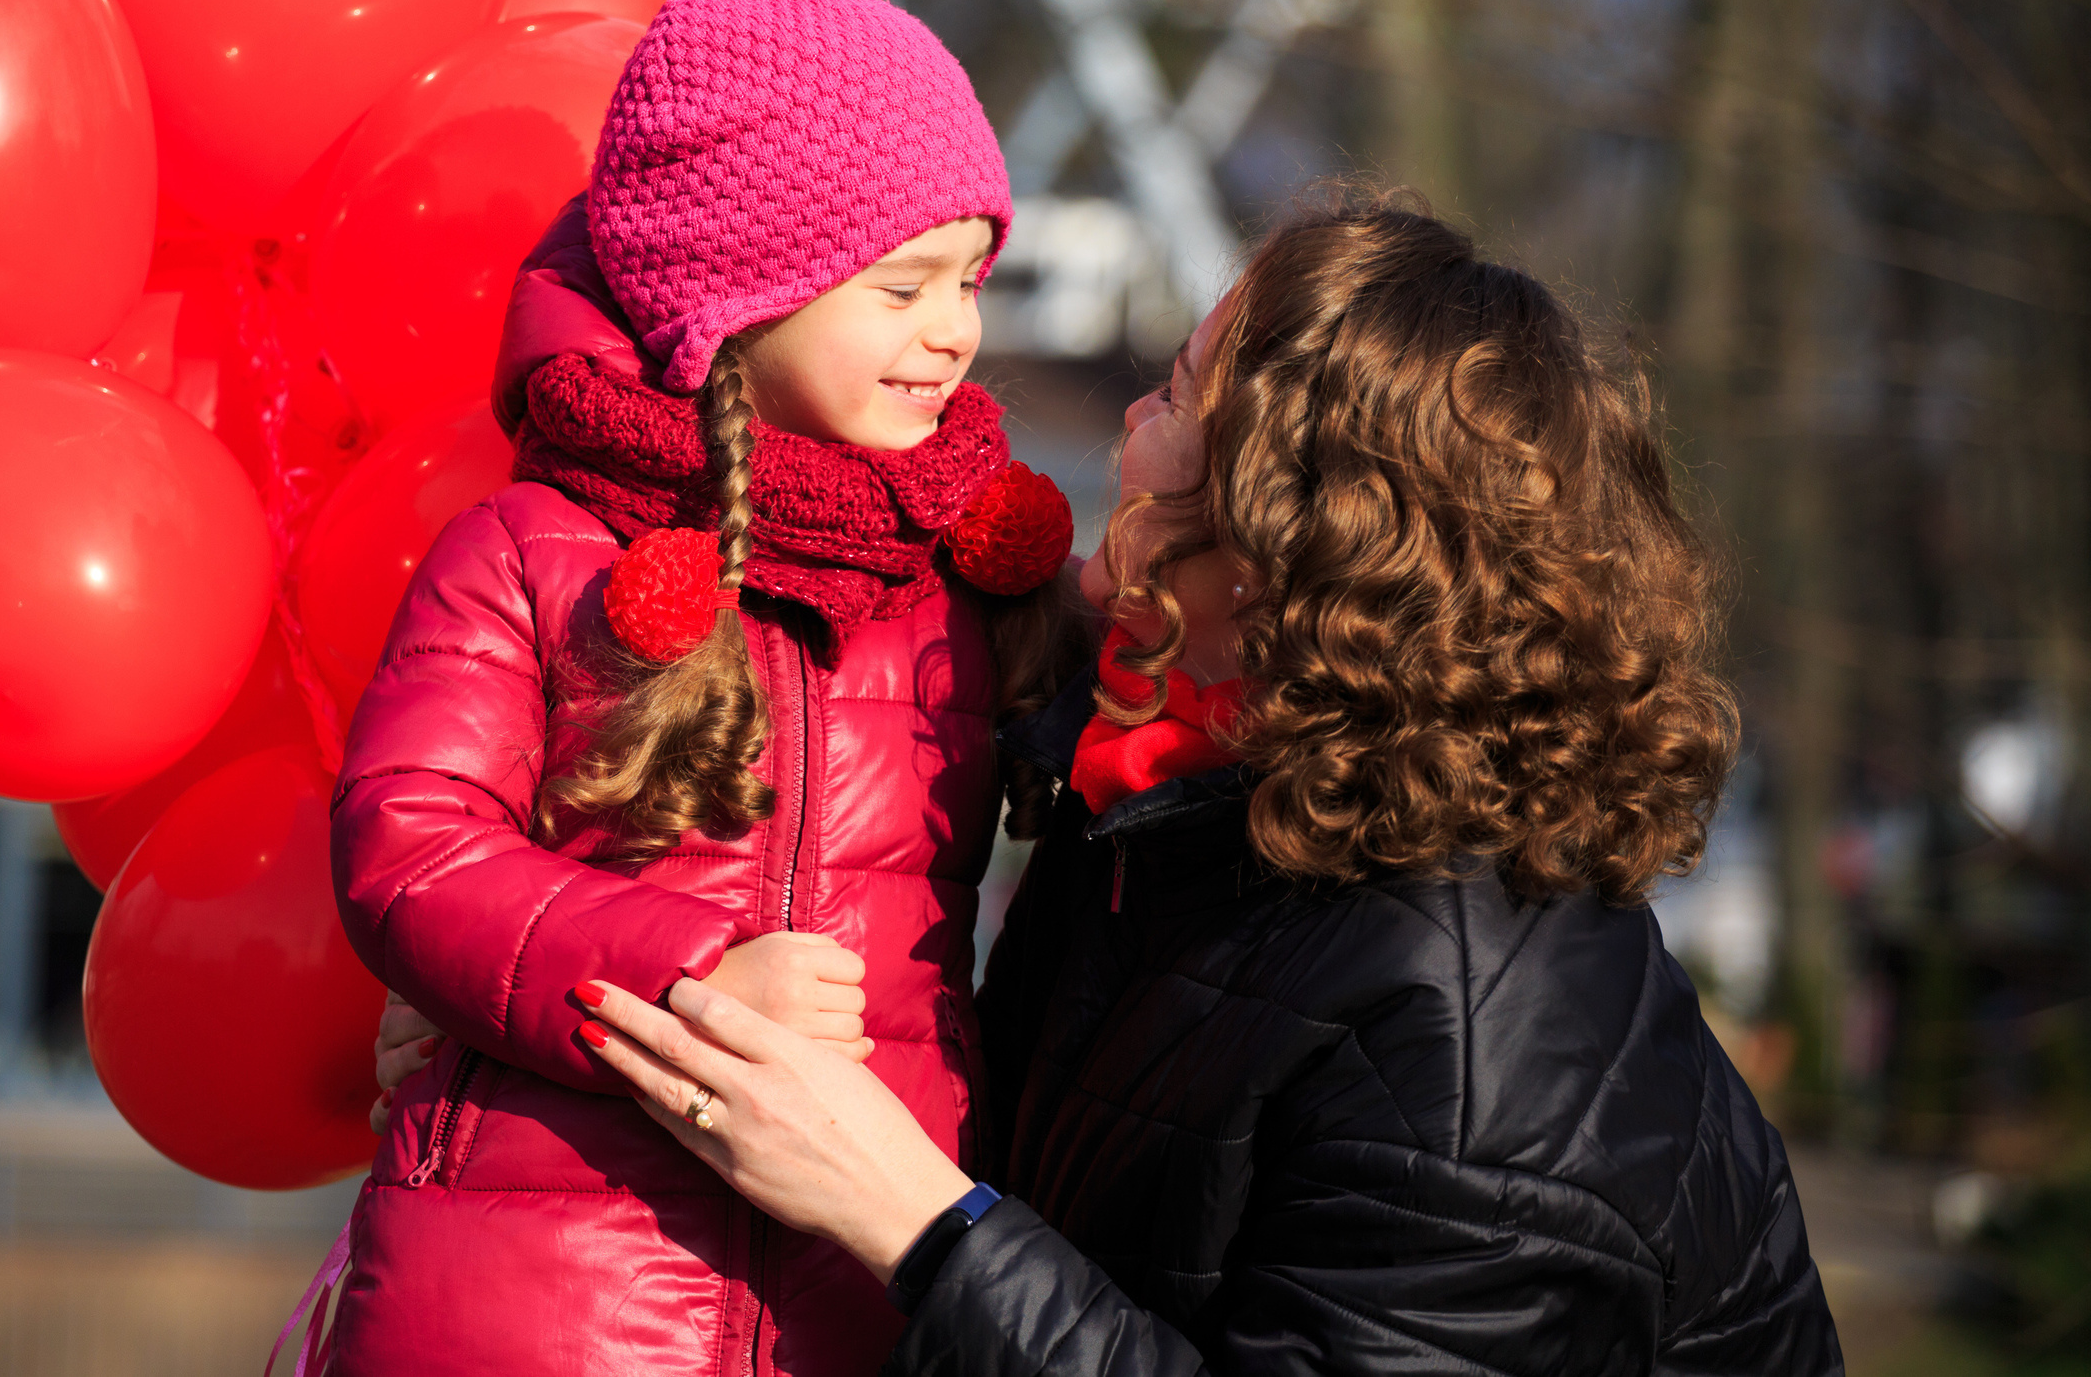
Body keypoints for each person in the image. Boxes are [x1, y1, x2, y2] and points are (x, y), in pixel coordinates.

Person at [558, 191, 1847, 1374]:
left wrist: (910, 1213)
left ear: (1296, 530)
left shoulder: (1480, 1037)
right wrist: (548, 1040)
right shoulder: (1179, 807)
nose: (1129, 426)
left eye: (1176, 397)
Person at [315, 0, 1082, 1377]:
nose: (957, 330)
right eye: (904, 284)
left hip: (852, 1302)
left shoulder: (956, 581)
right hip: (548, 1303)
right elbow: (410, 841)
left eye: (973, 279)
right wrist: (678, 972)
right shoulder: (536, 550)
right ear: (740, 294)